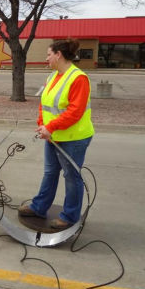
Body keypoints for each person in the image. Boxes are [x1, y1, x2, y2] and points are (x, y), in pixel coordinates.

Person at [18, 39, 94, 230]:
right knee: (50, 172)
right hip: (53, 136)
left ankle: (69, 216)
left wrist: (50, 127)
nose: (47, 59)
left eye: (48, 54)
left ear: (58, 54)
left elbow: (75, 112)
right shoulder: (53, 76)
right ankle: (39, 207)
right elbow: (45, 104)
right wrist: (42, 125)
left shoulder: (78, 78)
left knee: (71, 177)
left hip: (73, 138)